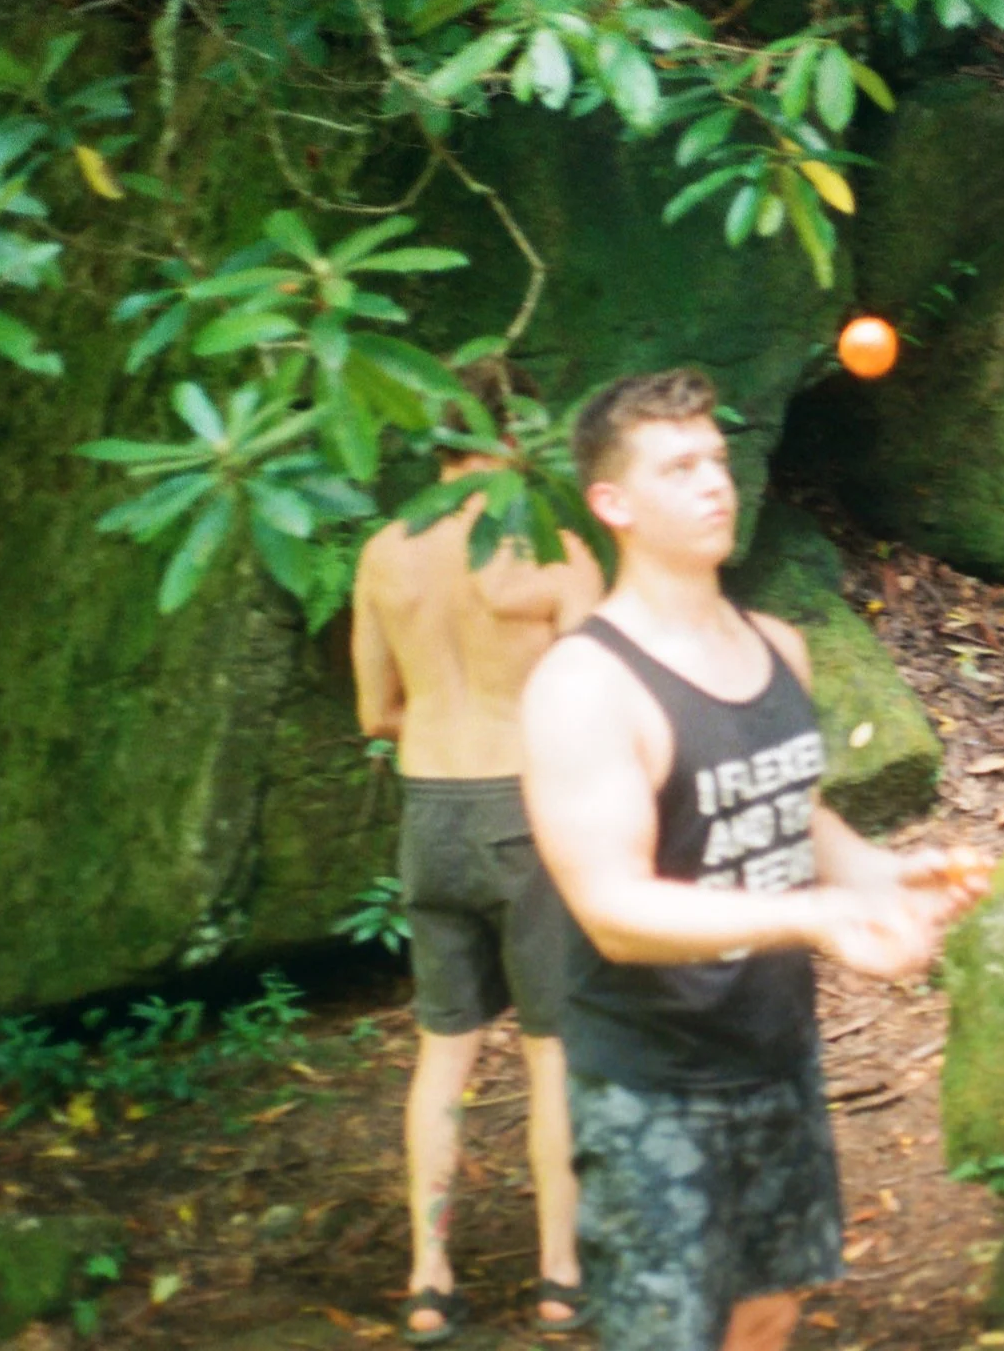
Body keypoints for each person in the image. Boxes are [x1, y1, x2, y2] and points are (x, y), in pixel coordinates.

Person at [519, 367, 986, 1351]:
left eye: (718, 460)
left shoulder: (778, 643)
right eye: (678, 465)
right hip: (653, 1080)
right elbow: (612, 908)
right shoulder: (585, 684)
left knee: (770, 1309)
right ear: (613, 503)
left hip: (775, 1051)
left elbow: (784, 803)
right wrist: (816, 917)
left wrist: (877, 872)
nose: (714, 483)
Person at [351, 364, 606, 1344]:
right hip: (525, 811)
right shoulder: (551, 551)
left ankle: (428, 1276)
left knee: (441, 1058)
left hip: (429, 814)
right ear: (512, 439)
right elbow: (588, 704)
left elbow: (376, 710)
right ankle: (557, 1276)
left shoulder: (383, 552)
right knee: (551, 1053)